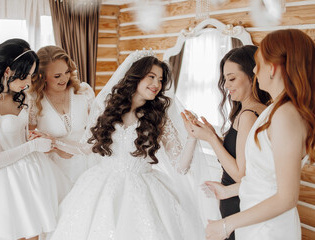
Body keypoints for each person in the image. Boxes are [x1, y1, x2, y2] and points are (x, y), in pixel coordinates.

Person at [47, 51, 215, 240]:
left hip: (144, 189)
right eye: (151, 77)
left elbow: (180, 167)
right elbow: (85, 148)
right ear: (135, 76)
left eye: (160, 80)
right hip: (101, 185)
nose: (156, 84)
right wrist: (53, 142)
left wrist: (192, 138)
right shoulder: (107, 108)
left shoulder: (159, 118)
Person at [203, 29, 315, 240]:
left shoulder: (286, 115)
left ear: (272, 68)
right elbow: (265, 179)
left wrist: (226, 225)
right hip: (256, 223)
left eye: (258, 63)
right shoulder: (275, 110)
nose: (255, 70)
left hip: (270, 229)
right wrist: (228, 191)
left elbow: (286, 197)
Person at [0, 39, 70, 240]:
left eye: (31, 76)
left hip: (32, 173)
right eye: (24, 76)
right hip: (1, 181)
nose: (28, 83)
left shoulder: (23, 97)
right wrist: (33, 145)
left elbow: (21, 135)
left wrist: (34, 138)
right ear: (7, 71)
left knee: (36, 231)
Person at [185, 45, 271, 239]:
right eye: (225, 79)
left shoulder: (248, 115)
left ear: (253, 75)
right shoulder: (260, 109)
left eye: (232, 78)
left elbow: (241, 174)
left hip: (237, 201)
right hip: (239, 199)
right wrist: (212, 136)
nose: (226, 85)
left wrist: (210, 139)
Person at [28, 45, 95, 184]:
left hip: (88, 164)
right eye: (57, 76)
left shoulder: (84, 92)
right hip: (54, 170)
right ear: (42, 76)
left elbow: (97, 130)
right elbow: (29, 139)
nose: (64, 78)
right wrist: (54, 148)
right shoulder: (33, 100)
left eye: (67, 72)